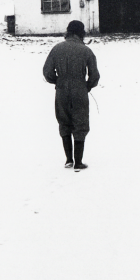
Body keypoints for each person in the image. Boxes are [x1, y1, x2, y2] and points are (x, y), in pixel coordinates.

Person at [43, 19, 100, 171]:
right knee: (80, 123)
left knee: (64, 122)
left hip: (61, 90)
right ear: (81, 33)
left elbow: (47, 72)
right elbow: (94, 76)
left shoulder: (56, 49)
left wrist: (58, 81)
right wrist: (87, 86)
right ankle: (78, 162)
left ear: (68, 32)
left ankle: (69, 159)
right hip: (79, 90)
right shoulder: (86, 51)